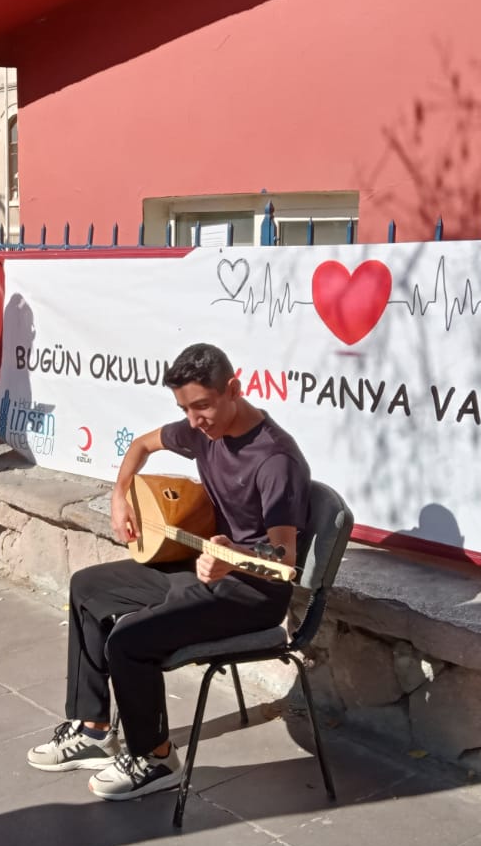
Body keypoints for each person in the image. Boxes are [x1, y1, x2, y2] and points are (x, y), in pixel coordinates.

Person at [27, 342, 310, 801]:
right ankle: (93, 729)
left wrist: (233, 555)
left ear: (234, 389)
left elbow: (283, 560)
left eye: (202, 406)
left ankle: (155, 757)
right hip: (205, 569)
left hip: (252, 594)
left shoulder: (275, 459)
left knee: (130, 639)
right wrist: (120, 495)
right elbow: (141, 445)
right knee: (88, 588)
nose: (195, 420)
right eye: (185, 409)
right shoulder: (202, 432)